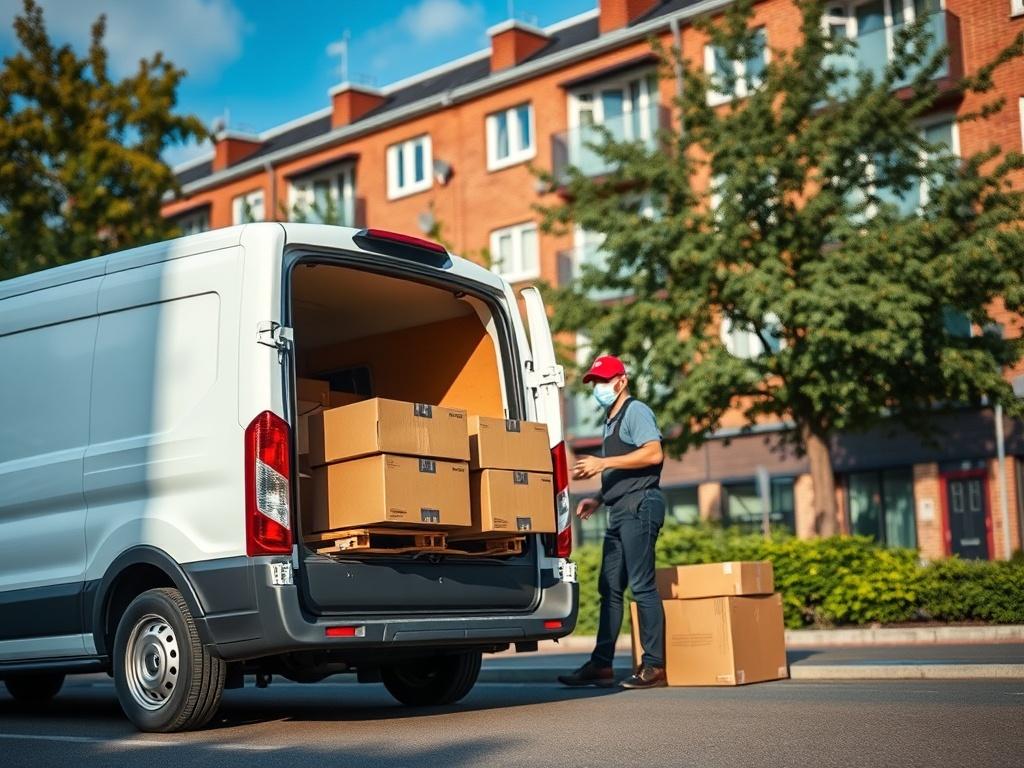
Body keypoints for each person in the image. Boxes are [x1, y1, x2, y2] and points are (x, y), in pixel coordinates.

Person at [558, 355, 667, 690]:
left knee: (642, 585)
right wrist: (599, 498)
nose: (598, 388)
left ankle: (654, 666)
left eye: (604, 381)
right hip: (619, 508)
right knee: (610, 589)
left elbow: (653, 454)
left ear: (622, 380)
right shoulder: (610, 419)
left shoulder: (636, 411)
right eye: (594, 382)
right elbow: (623, 469)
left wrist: (603, 463)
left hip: (641, 506)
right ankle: (601, 665)